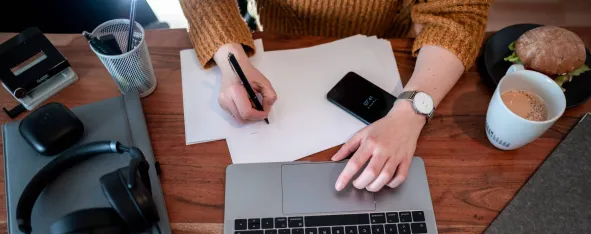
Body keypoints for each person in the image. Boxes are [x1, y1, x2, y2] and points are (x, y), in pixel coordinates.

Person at [180, 0, 492, 191]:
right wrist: (229, 55)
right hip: (275, 37)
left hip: (389, 44)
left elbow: (458, 14)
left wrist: (411, 110)